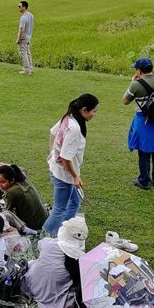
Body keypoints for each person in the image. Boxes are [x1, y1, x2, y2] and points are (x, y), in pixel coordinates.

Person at [42, 94, 99, 236]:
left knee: (75, 201)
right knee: (59, 209)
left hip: (58, 169)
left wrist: (52, 151)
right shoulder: (74, 128)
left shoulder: (69, 116)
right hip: (64, 175)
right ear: (84, 110)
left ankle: (64, 230)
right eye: (94, 111)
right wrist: (75, 176)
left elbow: (53, 132)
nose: (95, 115)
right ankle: (44, 237)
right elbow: (66, 157)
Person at [122, 57, 154, 189]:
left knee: (143, 151)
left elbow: (125, 101)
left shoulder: (136, 84)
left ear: (139, 71)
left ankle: (144, 180)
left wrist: (132, 82)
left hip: (143, 122)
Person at [21, 216, 87, 308]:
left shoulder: (49, 243)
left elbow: (40, 244)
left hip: (30, 284)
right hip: (52, 295)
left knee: (36, 263)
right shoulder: (79, 261)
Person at [0, 163, 48, 231]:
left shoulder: (11, 191)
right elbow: (23, 169)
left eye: (3, 182)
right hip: (44, 216)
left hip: (33, 225)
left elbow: (8, 211)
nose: (0, 185)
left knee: (2, 215)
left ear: (12, 180)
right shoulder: (22, 177)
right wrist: (7, 165)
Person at [16, 0, 34, 75]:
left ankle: (26, 70)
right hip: (29, 36)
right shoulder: (30, 15)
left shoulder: (23, 18)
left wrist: (18, 39)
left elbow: (22, 30)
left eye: (19, 6)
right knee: (27, 53)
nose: (18, 8)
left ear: (24, 7)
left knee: (23, 53)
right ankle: (30, 68)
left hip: (23, 38)